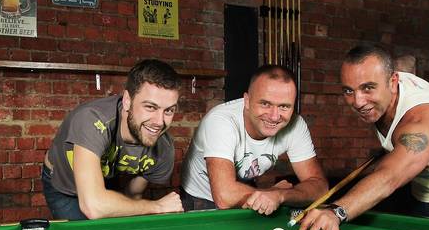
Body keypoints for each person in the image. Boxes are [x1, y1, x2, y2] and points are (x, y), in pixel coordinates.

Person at [295, 45, 429, 230]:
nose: (358, 101)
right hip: (423, 194)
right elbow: (407, 62)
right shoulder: (391, 82)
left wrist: (337, 211)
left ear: (393, 82)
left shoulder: (421, 121)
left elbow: (389, 177)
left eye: (368, 88)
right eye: (349, 90)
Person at [42, 59, 184, 220]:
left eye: (169, 111)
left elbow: (133, 196)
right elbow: (93, 206)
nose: (159, 122)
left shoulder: (163, 149)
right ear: (127, 101)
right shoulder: (93, 119)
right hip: (64, 183)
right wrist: (157, 206)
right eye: (150, 107)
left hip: (104, 181)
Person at [181, 64, 328, 215]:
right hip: (202, 198)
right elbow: (225, 196)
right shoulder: (221, 121)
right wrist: (271, 192)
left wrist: (280, 195)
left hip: (245, 188)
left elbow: (319, 187)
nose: (274, 116)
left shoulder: (296, 125)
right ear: (247, 101)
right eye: (265, 104)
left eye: (284, 106)